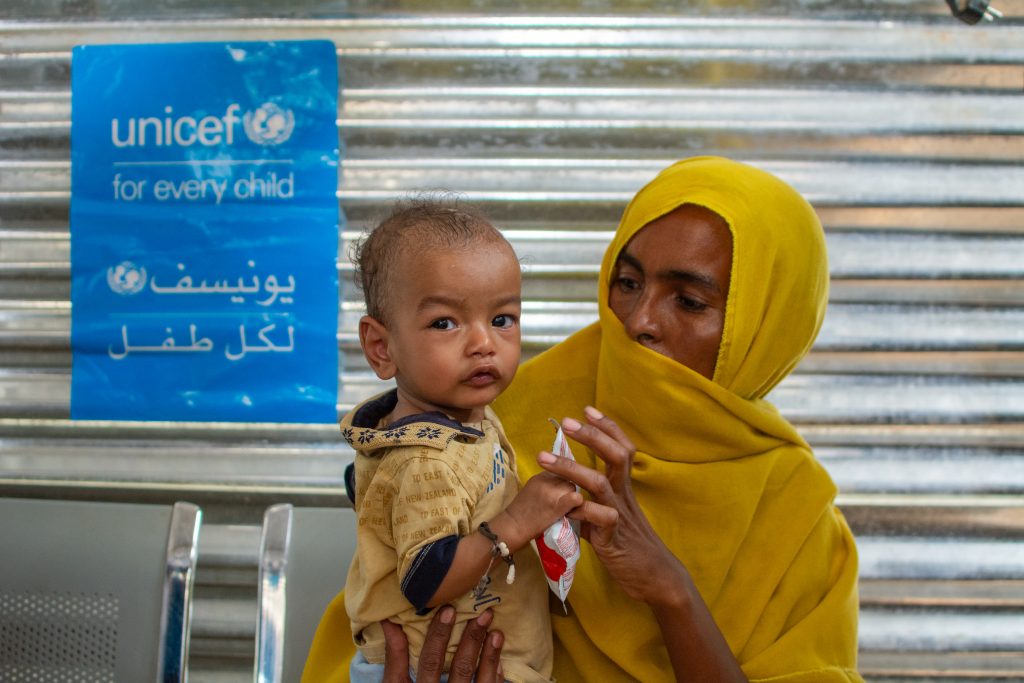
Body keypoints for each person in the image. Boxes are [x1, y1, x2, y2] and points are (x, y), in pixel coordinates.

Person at [304, 157, 863, 682]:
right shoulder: (499, 415)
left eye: (688, 302)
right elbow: (383, 608)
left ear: (767, 329)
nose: (640, 321)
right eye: (627, 284)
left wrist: (671, 591)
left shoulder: (797, 513)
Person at [339, 198, 580, 683]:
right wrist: (517, 521)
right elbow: (426, 579)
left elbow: (363, 489)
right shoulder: (423, 459)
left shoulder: (462, 419)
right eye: (445, 323)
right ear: (382, 348)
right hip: (440, 668)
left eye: (502, 319)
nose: (483, 343)